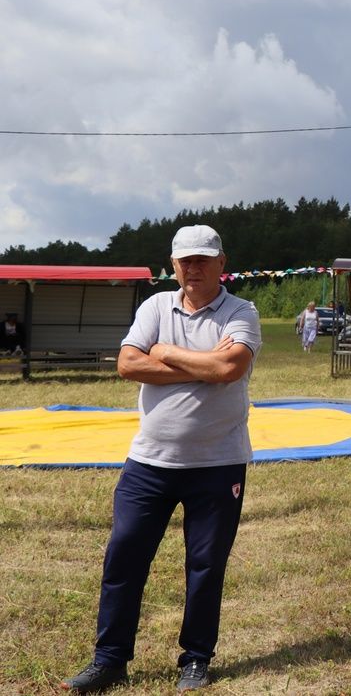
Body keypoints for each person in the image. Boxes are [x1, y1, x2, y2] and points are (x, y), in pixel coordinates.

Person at [61, 225, 261, 694]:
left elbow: (230, 368)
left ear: (221, 262)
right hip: (148, 464)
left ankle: (195, 659)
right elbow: (129, 364)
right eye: (184, 260)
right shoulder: (154, 306)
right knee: (124, 558)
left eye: (202, 259)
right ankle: (109, 660)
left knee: (206, 565)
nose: (193, 268)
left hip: (218, 464)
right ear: (172, 265)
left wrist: (168, 352)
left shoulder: (241, 311)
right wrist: (202, 366)